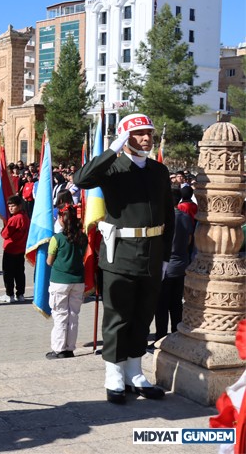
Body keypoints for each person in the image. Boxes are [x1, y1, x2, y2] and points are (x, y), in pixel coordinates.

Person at [73, 113, 174, 405]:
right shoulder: (113, 168)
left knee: (143, 314)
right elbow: (81, 179)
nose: (146, 139)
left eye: (149, 133)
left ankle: (134, 371)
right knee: (118, 314)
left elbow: (169, 214)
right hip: (121, 251)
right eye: (139, 133)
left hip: (153, 252)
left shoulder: (158, 171)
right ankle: (113, 373)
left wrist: (166, 255)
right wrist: (111, 150)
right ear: (124, 138)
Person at [45, 202, 88, 359]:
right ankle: (70, 348)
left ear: (62, 218)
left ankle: (58, 349)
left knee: (60, 315)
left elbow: (49, 261)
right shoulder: (82, 237)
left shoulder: (57, 239)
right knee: (73, 315)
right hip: (78, 280)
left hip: (60, 281)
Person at [154, 186, 194, 342]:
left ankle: (161, 338)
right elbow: (189, 239)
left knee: (162, 306)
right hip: (181, 265)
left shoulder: (163, 218)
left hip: (166, 267)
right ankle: (177, 335)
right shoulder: (185, 217)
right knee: (176, 303)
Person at [0, 195, 29, 303]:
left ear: (19, 206)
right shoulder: (25, 216)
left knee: (8, 273)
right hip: (21, 249)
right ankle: (20, 294)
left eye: (13, 206)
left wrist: (3, 228)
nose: (10, 208)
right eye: (9, 206)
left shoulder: (15, 218)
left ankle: (10, 294)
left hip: (11, 249)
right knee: (20, 272)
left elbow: (5, 234)